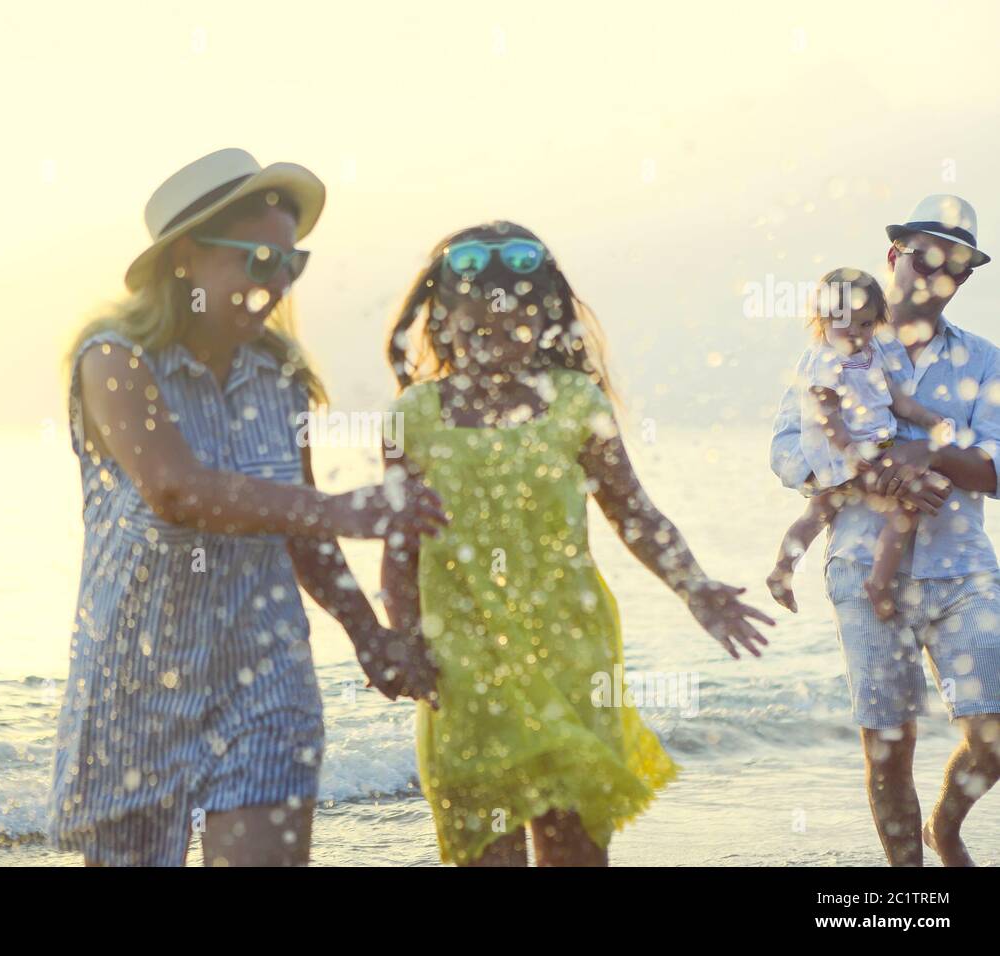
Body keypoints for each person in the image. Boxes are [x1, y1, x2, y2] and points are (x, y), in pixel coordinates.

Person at [48, 149, 446, 867]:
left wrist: (370, 633)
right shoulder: (113, 360)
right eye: (260, 260)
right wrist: (345, 510)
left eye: (292, 263)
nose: (279, 282)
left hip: (267, 681)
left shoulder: (282, 374)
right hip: (135, 689)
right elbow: (177, 490)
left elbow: (299, 526)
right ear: (185, 260)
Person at [381, 221, 773, 866]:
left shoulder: (574, 402)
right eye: (477, 326)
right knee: (485, 848)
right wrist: (398, 636)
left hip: (572, 653)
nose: (495, 339)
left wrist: (695, 586)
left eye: (513, 324)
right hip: (463, 662)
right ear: (441, 321)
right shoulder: (412, 417)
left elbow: (633, 512)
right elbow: (399, 547)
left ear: (543, 321)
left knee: (574, 850)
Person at [770, 194, 1000, 866]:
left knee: (994, 735)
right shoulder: (827, 349)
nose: (937, 273)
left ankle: (946, 829)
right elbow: (785, 450)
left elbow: (997, 466)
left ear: (965, 278)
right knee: (888, 747)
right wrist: (865, 472)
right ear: (894, 256)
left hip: (963, 569)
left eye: (955, 265)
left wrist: (924, 456)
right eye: (924, 256)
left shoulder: (984, 360)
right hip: (865, 569)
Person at [766, 269, 943, 618]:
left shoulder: (872, 353)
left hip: (875, 449)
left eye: (865, 324)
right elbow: (826, 415)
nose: (855, 332)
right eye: (844, 321)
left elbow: (895, 399)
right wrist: (847, 451)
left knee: (899, 512)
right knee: (818, 514)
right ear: (822, 317)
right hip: (843, 455)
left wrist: (928, 419)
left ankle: (876, 581)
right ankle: (785, 570)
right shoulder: (825, 359)